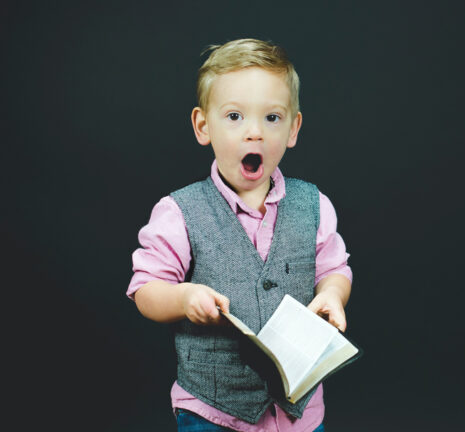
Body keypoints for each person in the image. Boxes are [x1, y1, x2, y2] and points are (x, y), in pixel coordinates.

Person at [127, 38, 352, 432]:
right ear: (203, 126)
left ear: (293, 128)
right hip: (213, 411)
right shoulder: (179, 212)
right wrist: (183, 297)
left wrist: (332, 293)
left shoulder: (314, 204)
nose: (254, 133)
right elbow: (145, 289)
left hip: (297, 411)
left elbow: (335, 268)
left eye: (272, 118)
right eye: (234, 117)